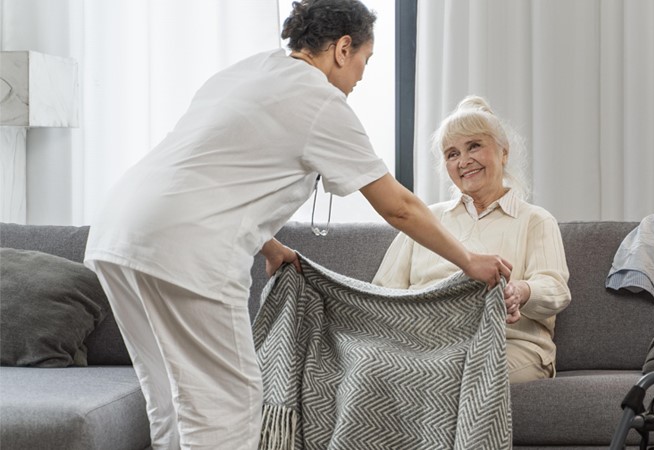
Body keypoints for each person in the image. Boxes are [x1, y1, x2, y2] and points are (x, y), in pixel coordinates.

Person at [82, 2, 512, 449]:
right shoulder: (319, 100)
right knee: (228, 407)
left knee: (169, 396)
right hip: (186, 252)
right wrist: (468, 260)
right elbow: (397, 206)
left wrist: (269, 247)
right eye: (366, 59)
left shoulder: (248, 72)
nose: (362, 75)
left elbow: (209, 174)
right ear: (343, 48)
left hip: (119, 232)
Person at [372, 95, 572, 384]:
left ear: (504, 152)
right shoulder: (425, 220)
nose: (464, 161)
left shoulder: (535, 220)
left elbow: (555, 289)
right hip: (429, 346)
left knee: (450, 373)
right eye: (452, 154)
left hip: (508, 344)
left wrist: (521, 291)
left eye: (474, 146)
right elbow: (384, 292)